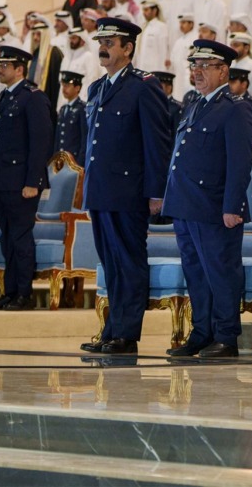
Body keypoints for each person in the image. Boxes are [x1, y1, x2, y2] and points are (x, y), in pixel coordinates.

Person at [77, 19, 171, 353]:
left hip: (129, 192)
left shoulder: (143, 85)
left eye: (110, 42)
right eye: (100, 41)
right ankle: (111, 330)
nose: (102, 47)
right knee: (111, 263)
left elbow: (156, 143)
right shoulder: (97, 87)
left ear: (128, 48)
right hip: (101, 191)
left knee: (129, 261)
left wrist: (156, 191)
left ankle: (127, 334)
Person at [163, 39, 252, 360]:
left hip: (214, 207)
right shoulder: (195, 105)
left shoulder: (235, 108)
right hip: (185, 204)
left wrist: (233, 206)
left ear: (223, 70)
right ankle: (201, 332)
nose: (197, 72)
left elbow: (240, 162)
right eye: (194, 66)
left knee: (221, 270)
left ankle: (226, 336)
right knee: (195, 272)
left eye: (205, 66)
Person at [0, 45, 52, 312]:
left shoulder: (31, 96)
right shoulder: (4, 97)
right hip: (2, 181)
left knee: (21, 238)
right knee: (8, 238)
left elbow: (40, 142)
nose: (0, 69)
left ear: (19, 68)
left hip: (22, 182)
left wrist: (32, 182)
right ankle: (10, 292)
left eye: (4, 66)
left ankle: (24, 293)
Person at [53, 70, 88, 163]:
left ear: (77, 88)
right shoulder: (63, 109)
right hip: (60, 160)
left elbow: (84, 138)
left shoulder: (82, 109)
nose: (64, 89)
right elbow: (58, 138)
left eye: (67, 86)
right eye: (63, 85)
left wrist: (80, 164)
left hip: (73, 160)